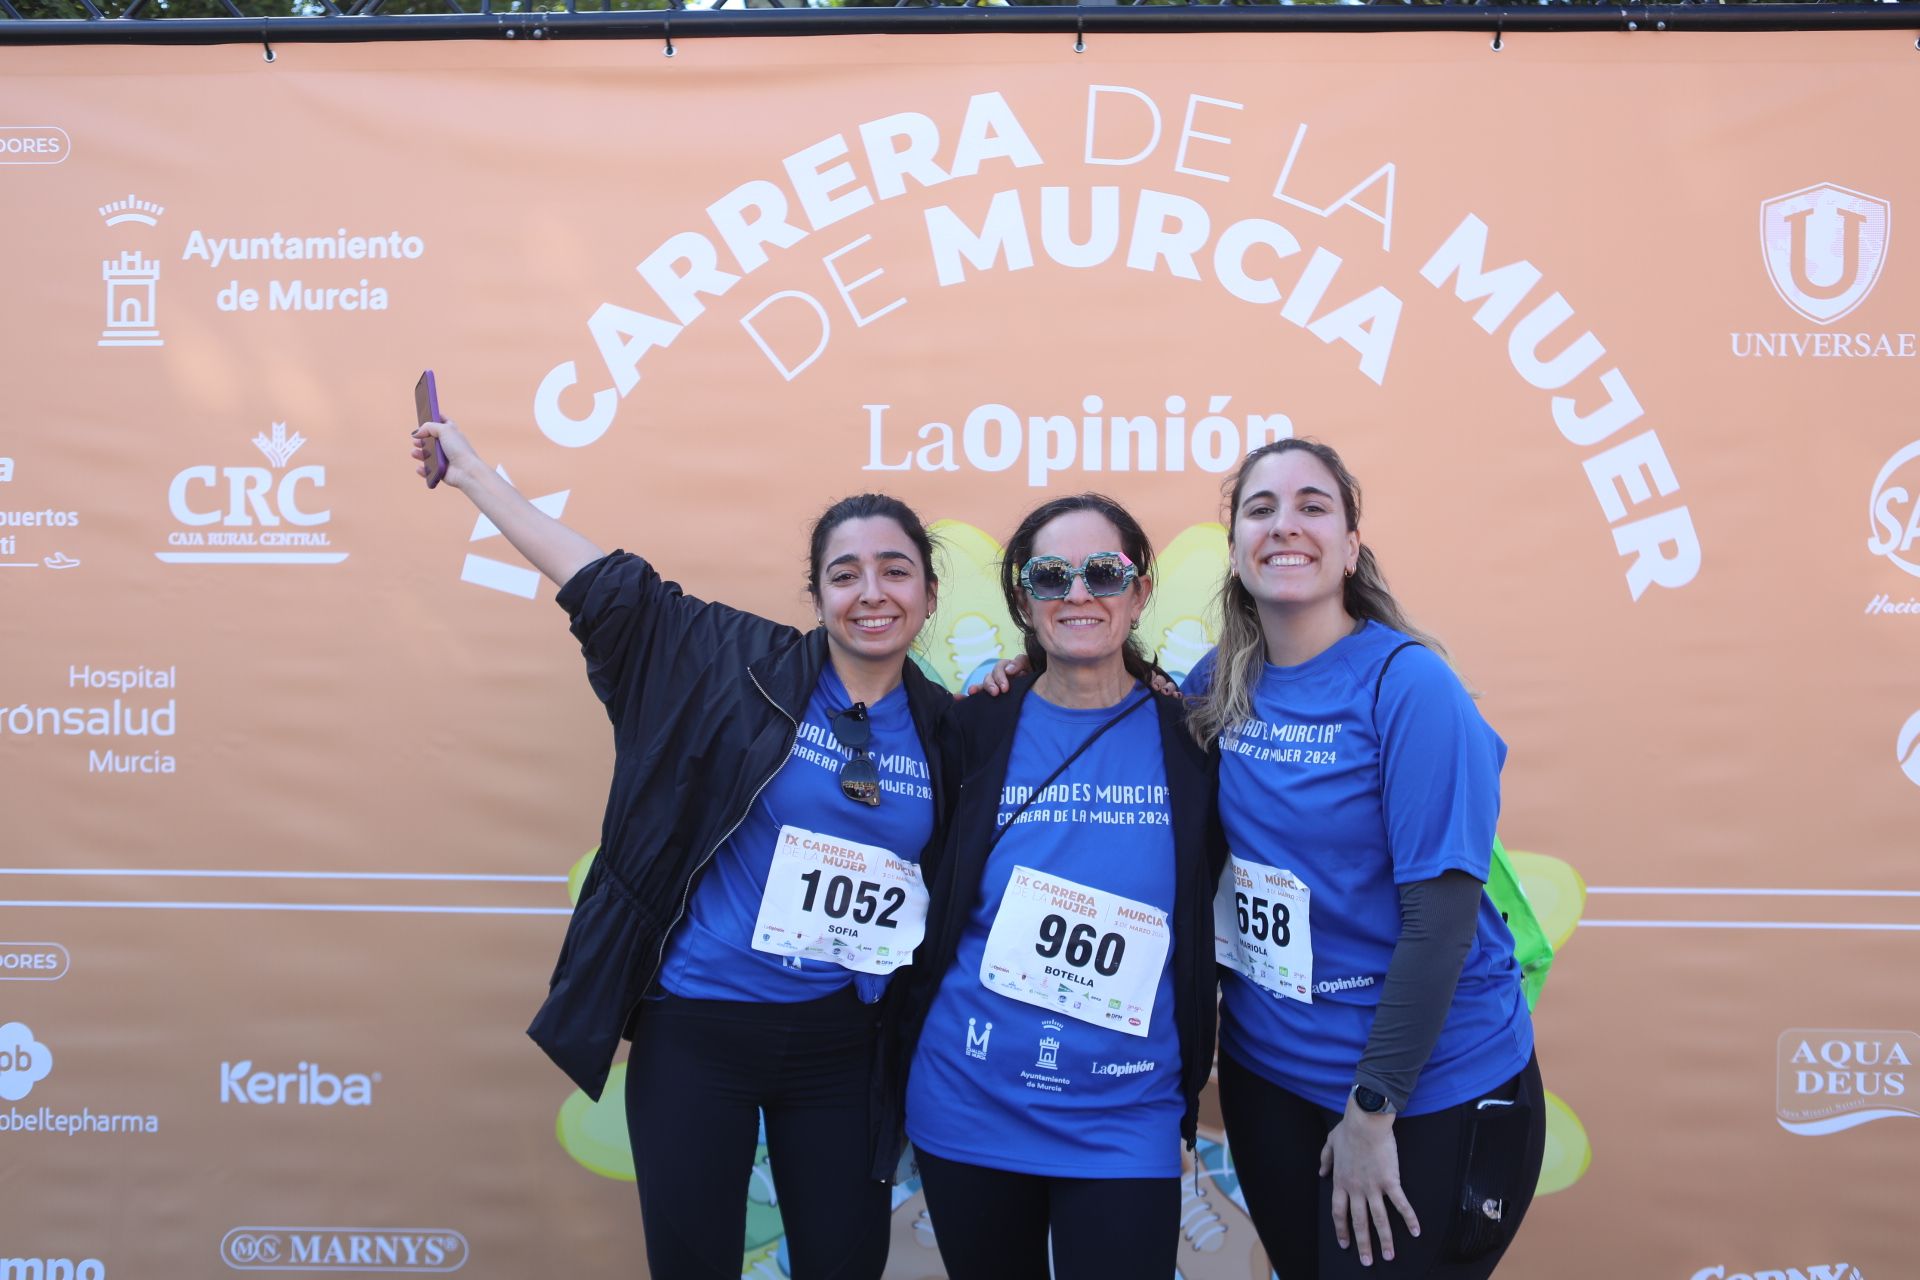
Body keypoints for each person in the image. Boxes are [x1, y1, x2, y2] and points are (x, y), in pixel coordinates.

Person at [410, 419, 955, 1280]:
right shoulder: (730, 665)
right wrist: (475, 476)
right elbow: (600, 582)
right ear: (815, 596)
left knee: (846, 1263)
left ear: (928, 592)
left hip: (845, 1044)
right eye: (843, 574)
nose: (871, 592)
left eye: (895, 570)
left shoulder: (949, 728)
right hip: (701, 1026)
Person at [1185, 438, 1545, 1278]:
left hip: (1418, 1091)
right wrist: (1019, 678)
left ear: (1350, 546)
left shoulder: (1409, 687)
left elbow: (1441, 924)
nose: (1286, 526)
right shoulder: (1219, 682)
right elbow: (1110, 720)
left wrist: (1373, 1112)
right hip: (1269, 1076)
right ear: (1235, 547)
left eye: (1314, 506)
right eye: (1261, 508)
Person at [892, 493, 1224, 1280]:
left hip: (1126, 1116)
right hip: (969, 1102)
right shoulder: (970, 730)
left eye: (1103, 572)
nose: (1078, 594)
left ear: (1140, 591)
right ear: (1022, 599)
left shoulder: (1196, 738)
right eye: (1050, 577)